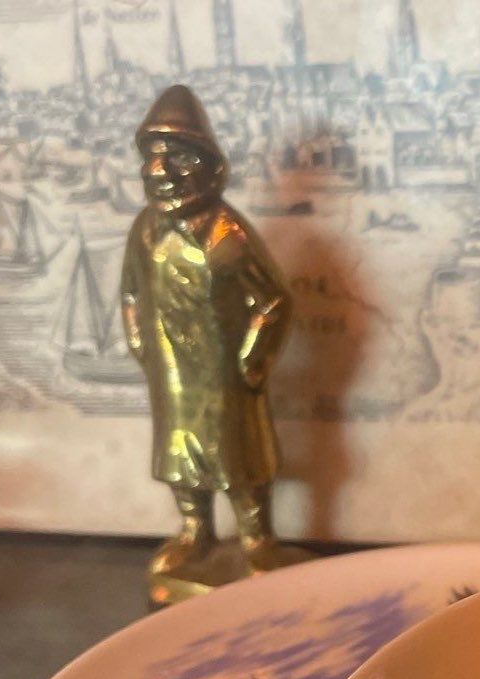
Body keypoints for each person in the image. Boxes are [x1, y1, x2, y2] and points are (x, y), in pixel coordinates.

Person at [121, 84, 299, 582]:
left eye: (179, 158)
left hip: (225, 373)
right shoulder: (145, 231)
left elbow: (273, 300)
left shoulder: (227, 233)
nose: (161, 171)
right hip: (171, 371)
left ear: (211, 167)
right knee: (179, 451)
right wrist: (139, 342)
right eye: (152, 159)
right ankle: (195, 530)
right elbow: (131, 293)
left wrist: (252, 359)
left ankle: (257, 537)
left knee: (241, 457)